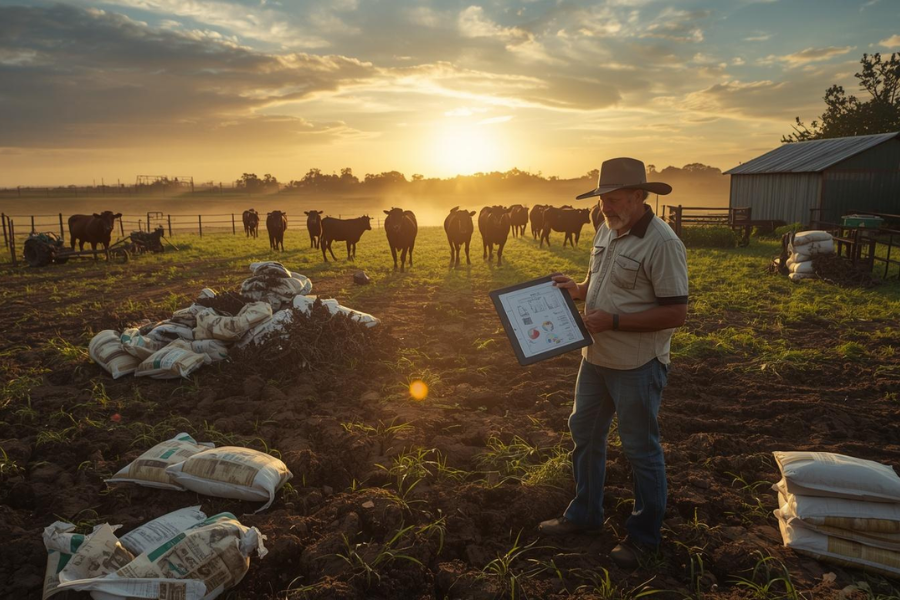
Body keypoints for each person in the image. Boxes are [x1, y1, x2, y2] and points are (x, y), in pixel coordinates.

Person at [539, 157, 688, 570]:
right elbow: (600, 283)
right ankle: (585, 514)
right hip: (596, 356)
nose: (605, 207)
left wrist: (615, 321)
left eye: (615, 199)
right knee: (584, 434)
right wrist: (578, 289)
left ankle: (644, 536)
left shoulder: (663, 244)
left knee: (640, 449)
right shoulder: (607, 228)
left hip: (637, 363)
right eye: (603, 198)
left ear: (640, 196)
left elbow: (676, 313)